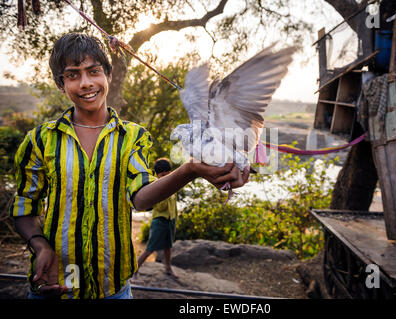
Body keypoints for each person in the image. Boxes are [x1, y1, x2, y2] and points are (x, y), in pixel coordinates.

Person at [9, 33, 249, 299]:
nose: (86, 83)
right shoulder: (39, 141)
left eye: (94, 71)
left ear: (108, 75)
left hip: (114, 291)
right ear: (60, 84)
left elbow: (141, 198)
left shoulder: (133, 136)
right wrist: (41, 246)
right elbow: (24, 208)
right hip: (55, 286)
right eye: (73, 75)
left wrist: (189, 170)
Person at [137, 158, 178, 277]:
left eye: (168, 175)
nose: (165, 177)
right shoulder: (156, 188)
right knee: (150, 248)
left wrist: (175, 218)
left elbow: (174, 204)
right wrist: (166, 192)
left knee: (168, 246)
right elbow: (159, 207)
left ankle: (168, 268)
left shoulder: (173, 184)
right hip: (159, 221)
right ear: (157, 175)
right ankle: (135, 270)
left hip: (170, 220)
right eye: (163, 175)